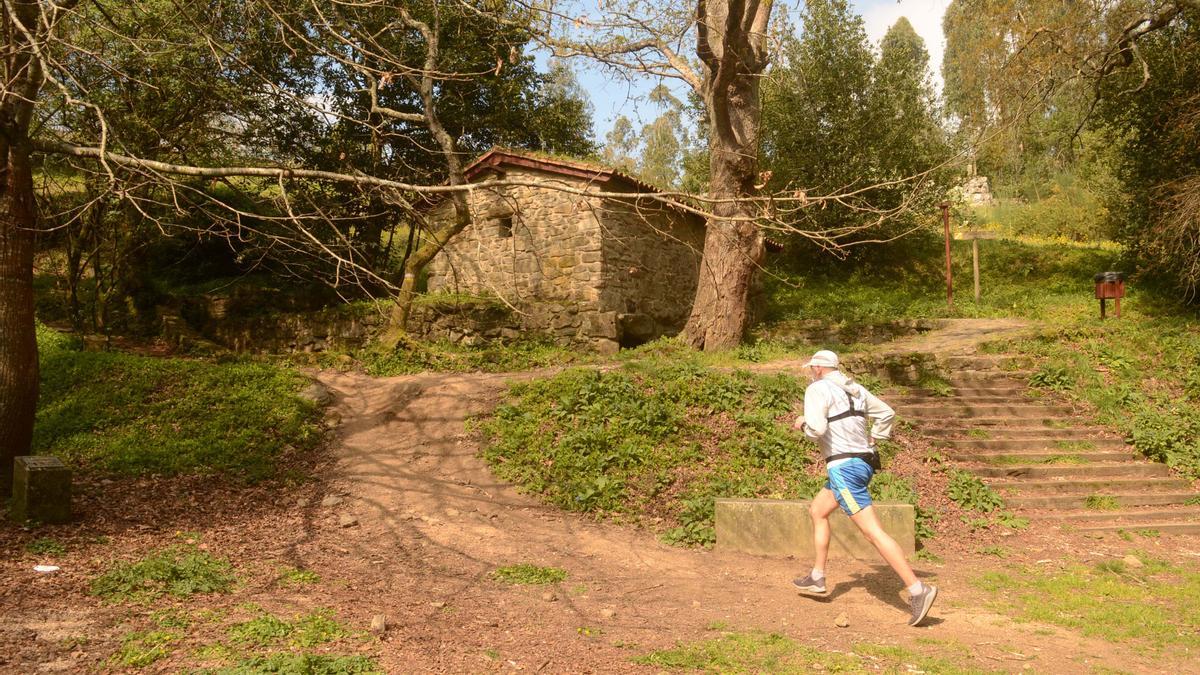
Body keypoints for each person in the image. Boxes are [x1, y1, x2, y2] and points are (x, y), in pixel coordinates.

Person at [790, 349, 938, 627]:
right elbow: (887, 412)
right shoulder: (854, 389)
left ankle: (918, 590)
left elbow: (817, 429)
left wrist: (802, 425)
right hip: (862, 464)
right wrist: (875, 438)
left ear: (819, 368)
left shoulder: (817, 389)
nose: (811, 371)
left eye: (812, 367)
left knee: (873, 532)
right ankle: (817, 577)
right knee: (818, 511)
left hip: (843, 469)